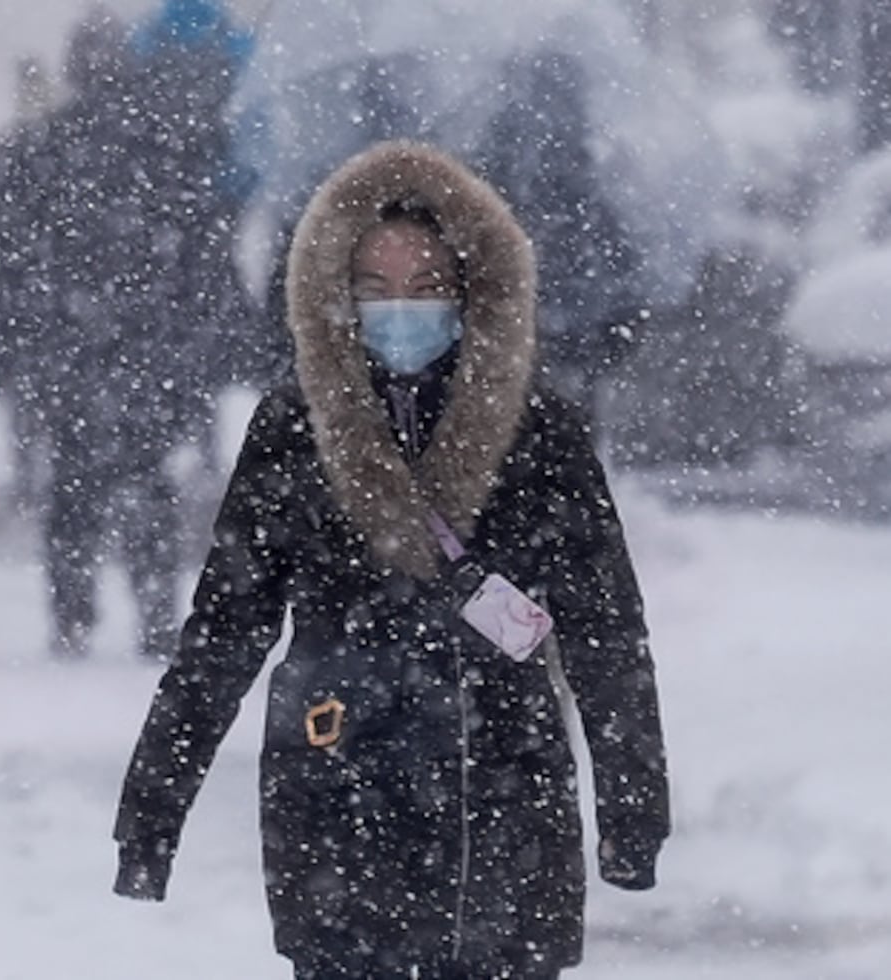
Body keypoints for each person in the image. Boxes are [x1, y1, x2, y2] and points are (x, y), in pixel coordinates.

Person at [113, 140, 670, 979]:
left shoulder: (540, 431)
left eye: (425, 287)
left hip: (506, 799)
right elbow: (223, 632)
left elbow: (605, 629)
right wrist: (151, 814)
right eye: (374, 289)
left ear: (472, 293)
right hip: (338, 794)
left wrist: (632, 811)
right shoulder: (293, 428)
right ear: (333, 297)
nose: (399, 310)